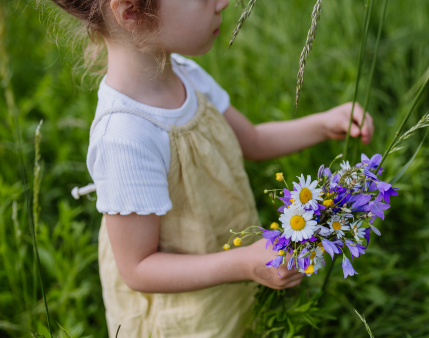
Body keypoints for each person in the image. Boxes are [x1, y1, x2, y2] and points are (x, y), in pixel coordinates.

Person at [51, 0, 374, 336]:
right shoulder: (125, 136)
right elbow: (138, 268)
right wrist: (243, 263)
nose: (224, 2)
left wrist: (322, 125)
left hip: (230, 276)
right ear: (131, 12)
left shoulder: (184, 73)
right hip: (183, 316)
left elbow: (253, 141)